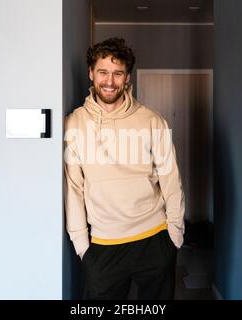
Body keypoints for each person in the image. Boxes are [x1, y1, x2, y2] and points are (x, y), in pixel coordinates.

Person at [64, 37, 185, 300]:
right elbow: (74, 188)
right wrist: (82, 245)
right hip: (102, 246)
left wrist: (174, 235)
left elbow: (171, 180)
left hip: (154, 240)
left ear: (127, 77)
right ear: (91, 73)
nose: (110, 81)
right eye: (103, 72)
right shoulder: (74, 124)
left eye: (118, 73)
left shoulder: (152, 121)